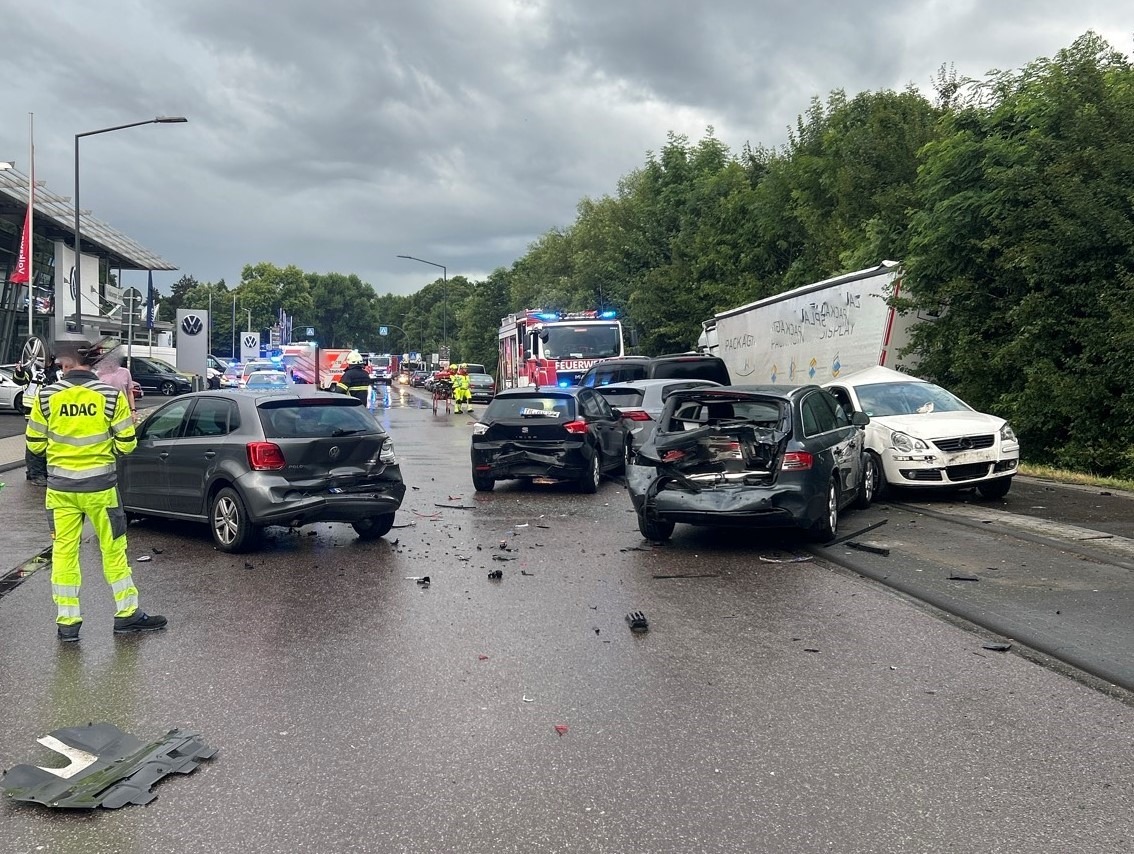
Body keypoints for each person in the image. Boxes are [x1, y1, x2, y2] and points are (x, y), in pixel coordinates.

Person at [25, 339, 166, 642]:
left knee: (64, 554)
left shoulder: (47, 397)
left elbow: (34, 444)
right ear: (92, 362)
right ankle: (127, 615)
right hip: (101, 490)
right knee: (113, 552)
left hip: (60, 491)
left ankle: (68, 624)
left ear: (65, 363)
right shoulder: (110, 396)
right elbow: (127, 444)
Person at [95, 354, 138, 420]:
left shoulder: (125, 372)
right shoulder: (98, 374)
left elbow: (129, 392)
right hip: (105, 410)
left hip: (122, 409)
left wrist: (133, 411)